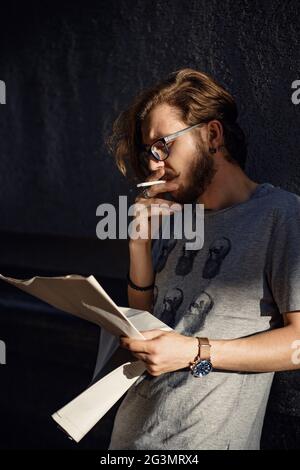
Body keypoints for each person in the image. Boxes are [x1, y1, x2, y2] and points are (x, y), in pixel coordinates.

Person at [105, 68, 300, 450]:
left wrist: (193, 351)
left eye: (163, 145)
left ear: (212, 135)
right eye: (149, 152)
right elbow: (148, 323)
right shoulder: (174, 216)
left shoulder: (281, 215)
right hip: (130, 438)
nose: (154, 165)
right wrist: (139, 246)